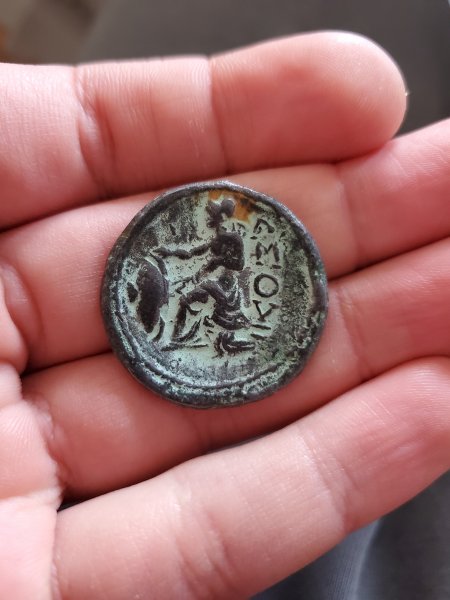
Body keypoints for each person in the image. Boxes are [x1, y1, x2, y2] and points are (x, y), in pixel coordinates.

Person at [0, 31, 448, 599]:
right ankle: (188, 336)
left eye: (217, 218)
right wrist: (173, 257)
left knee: (202, 301)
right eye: (215, 218)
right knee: (194, 301)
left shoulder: (229, 242)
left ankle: (201, 336)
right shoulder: (217, 237)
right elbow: (192, 251)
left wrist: (186, 260)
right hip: (209, 290)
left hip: (223, 291)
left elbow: (210, 259)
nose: (216, 220)